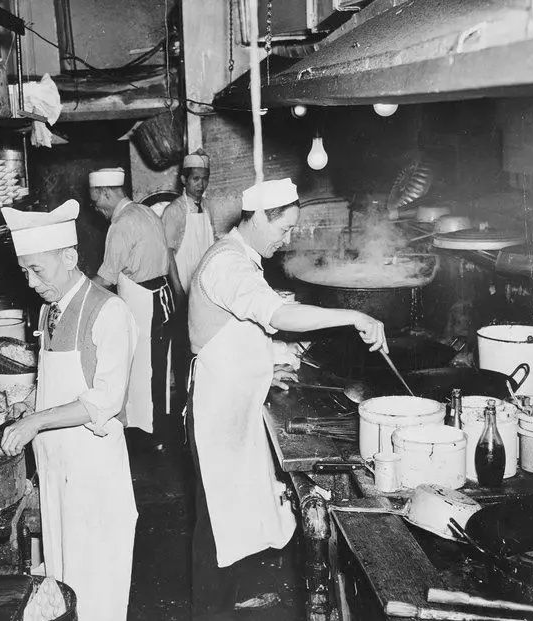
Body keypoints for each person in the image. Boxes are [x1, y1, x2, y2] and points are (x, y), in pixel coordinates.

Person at [187, 178, 388, 617]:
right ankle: (209, 612)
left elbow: (233, 332)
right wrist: (353, 315)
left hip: (233, 400)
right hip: (215, 411)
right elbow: (276, 314)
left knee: (230, 517)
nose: (287, 238)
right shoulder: (227, 263)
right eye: (284, 228)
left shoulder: (241, 255)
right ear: (259, 217)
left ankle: (224, 604)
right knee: (216, 522)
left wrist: (265, 364)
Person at [0, 199, 138, 621]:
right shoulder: (49, 311)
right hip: (56, 466)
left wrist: (37, 420)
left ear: (69, 258)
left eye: (36, 269)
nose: (30, 282)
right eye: (24, 271)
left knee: (95, 584)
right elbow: (56, 381)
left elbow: (105, 399)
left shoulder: (109, 311)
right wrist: (31, 402)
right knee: (61, 577)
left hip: (92, 473)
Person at [89, 167, 179, 449]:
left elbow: (106, 278)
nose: (96, 208)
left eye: (95, 200)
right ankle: (160, 432)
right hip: (162, 297)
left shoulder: (121, 224)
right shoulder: (145, 212)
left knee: (145, 372)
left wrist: (78, 294)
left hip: (144, 304)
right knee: (158, 370)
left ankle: (151, 437)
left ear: (105, 192)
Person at [161, 150, 215, 406]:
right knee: (183, 346)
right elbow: (167, 254)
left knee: (205, 344)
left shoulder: (207, 207)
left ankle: (202, 394)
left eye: (204, 179)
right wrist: (178, 291)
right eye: (195, 179)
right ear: (183, 179)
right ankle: (184, 400)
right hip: (182, 288)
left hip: (204, 290)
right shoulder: (174, 211)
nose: (200, 184)